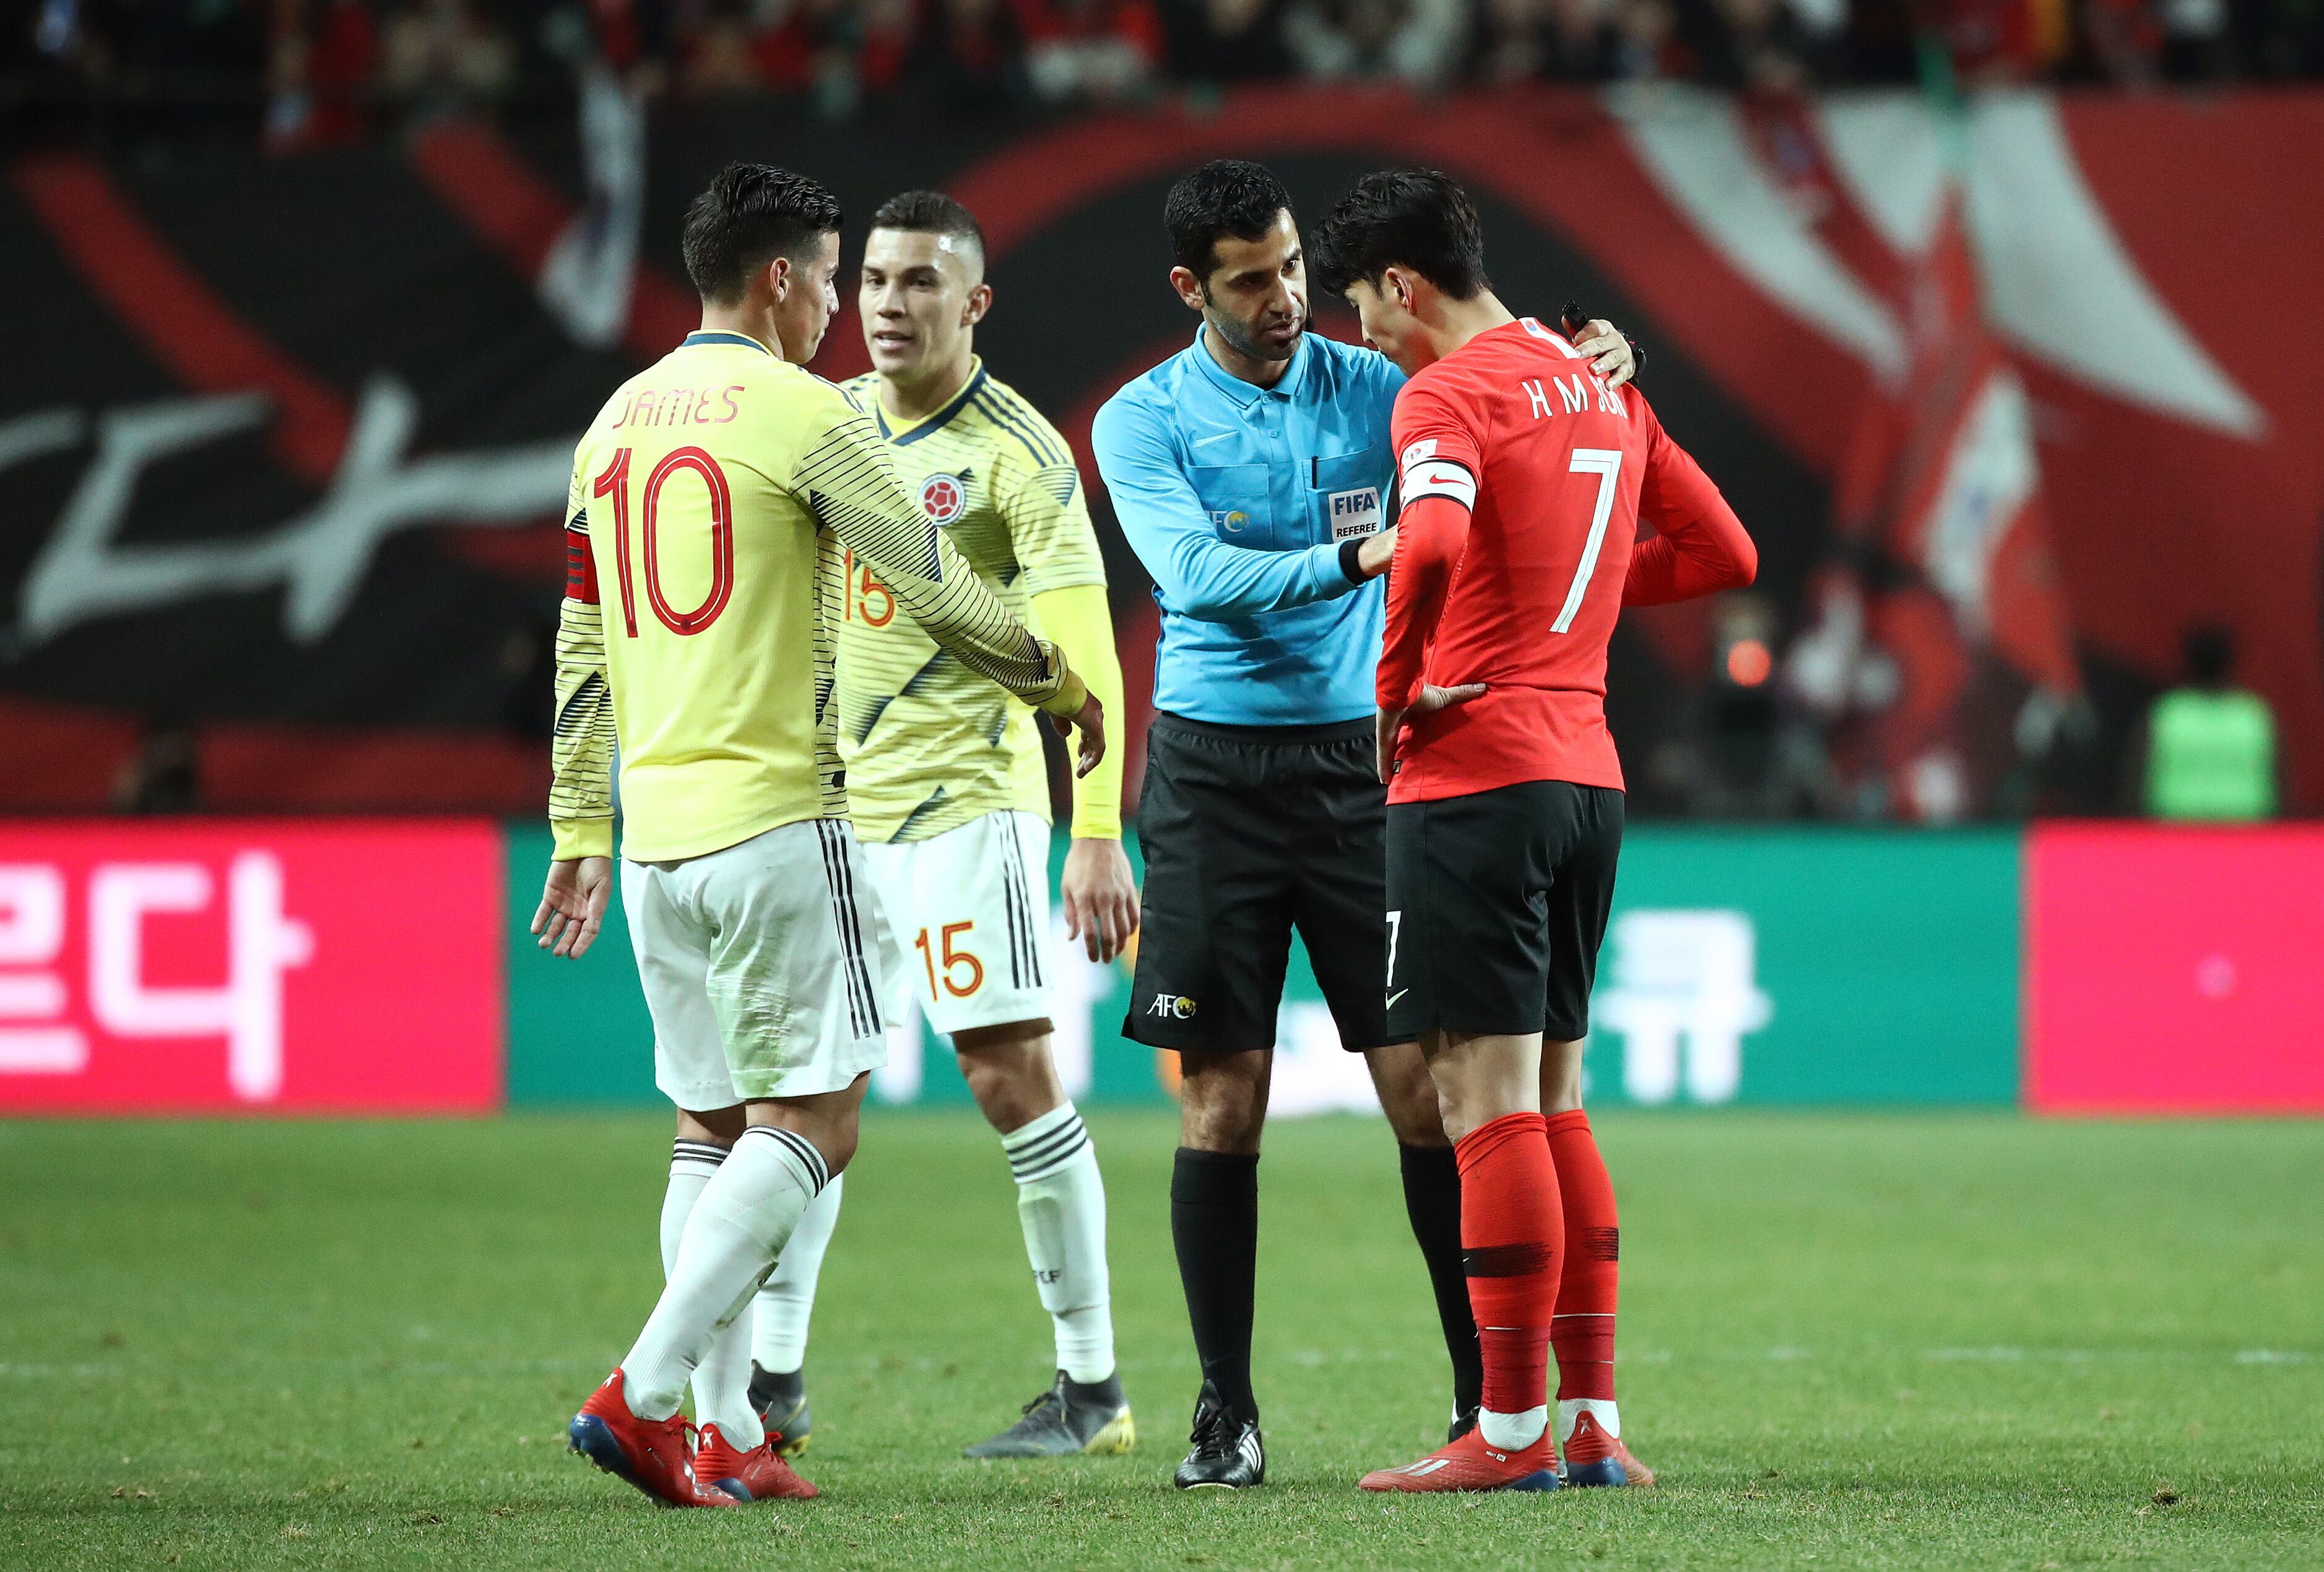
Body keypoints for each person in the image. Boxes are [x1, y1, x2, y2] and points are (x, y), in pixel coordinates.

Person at [532, 161, 1104, 1509]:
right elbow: (928, 581)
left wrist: (578, 817)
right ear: (783, 279)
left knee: (709, 1128)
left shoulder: (611, 422)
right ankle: (649, 1389)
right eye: (835, 280)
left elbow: (579, 635)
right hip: (787, 820)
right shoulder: (802, 415)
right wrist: (1052, 680)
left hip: (661, 834)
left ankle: (727, 1431)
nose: (843, 313)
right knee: (819, 1119)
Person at [1089, 159, 1639, 1490]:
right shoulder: (1137, 419)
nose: (1283, 299)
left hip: (1363, 769)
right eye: (1248, 280)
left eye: (1287, 267)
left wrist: (1599, 361)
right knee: (1222, 1099)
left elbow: (1503, 392)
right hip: (1211, 777)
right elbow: (1194, 578)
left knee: (1427, 1094)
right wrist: (1358, 556)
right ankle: (1224, 1410)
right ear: (1189, 289)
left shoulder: (1381, 384)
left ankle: (1482, 1393)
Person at [1306, 168, 1754, 1494]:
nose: (1364, 339)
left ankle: (1502, 1434)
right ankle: (1589, 1420)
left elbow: (1429, 539)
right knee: (1556, 1097)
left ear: (1402, 284)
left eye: (1363, 310)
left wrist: (1394, 695)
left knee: (1476, 1101)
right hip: (1586, 777)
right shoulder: (1600, 382)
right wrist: (1587, 609)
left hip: (1475, 778)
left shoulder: (1446, 394)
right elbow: (1721, 551)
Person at [742, 188, 1142, 1461]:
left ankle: (1091, 1392)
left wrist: (1093, 830)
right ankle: (770, 1382)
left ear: (973, 303)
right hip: (831, 813)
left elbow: (1082, 651)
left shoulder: (1018, 453)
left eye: (918, 283)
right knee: (803, 1093)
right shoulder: (827, 426)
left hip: (965, 807)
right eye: (869, 279)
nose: (884, 304)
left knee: (1006, 1075)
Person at [2141, 625, 2277, 822]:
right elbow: (2279, 783)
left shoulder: (2168, 713)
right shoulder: (2253, 714)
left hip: (2177, 831)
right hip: (2245, 832)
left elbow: (2137, 783)